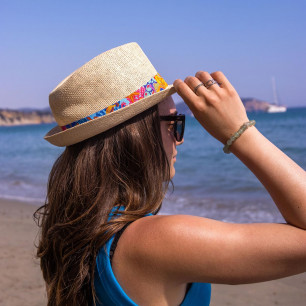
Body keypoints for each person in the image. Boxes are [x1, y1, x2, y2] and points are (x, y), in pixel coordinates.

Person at [34, 42, 306, 306]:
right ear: (136, 135)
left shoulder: (77, 231)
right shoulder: (158, 241)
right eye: (174, 123)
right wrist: (239, 132)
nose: (179, 139)